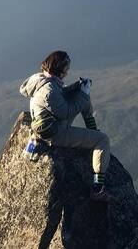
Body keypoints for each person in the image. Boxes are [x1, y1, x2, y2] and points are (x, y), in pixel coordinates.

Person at [20, 50, 113, 202]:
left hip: (47, 124)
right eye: (66, 68)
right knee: (102, 140)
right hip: (55, 132)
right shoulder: (49, 91)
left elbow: (60, 94)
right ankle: (98, 189)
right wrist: (83, 94)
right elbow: (66, 111)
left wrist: (77, 87)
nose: (67, 72)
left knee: (81, 94)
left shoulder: (41, 79)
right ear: (60, 69)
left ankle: (91, 132)